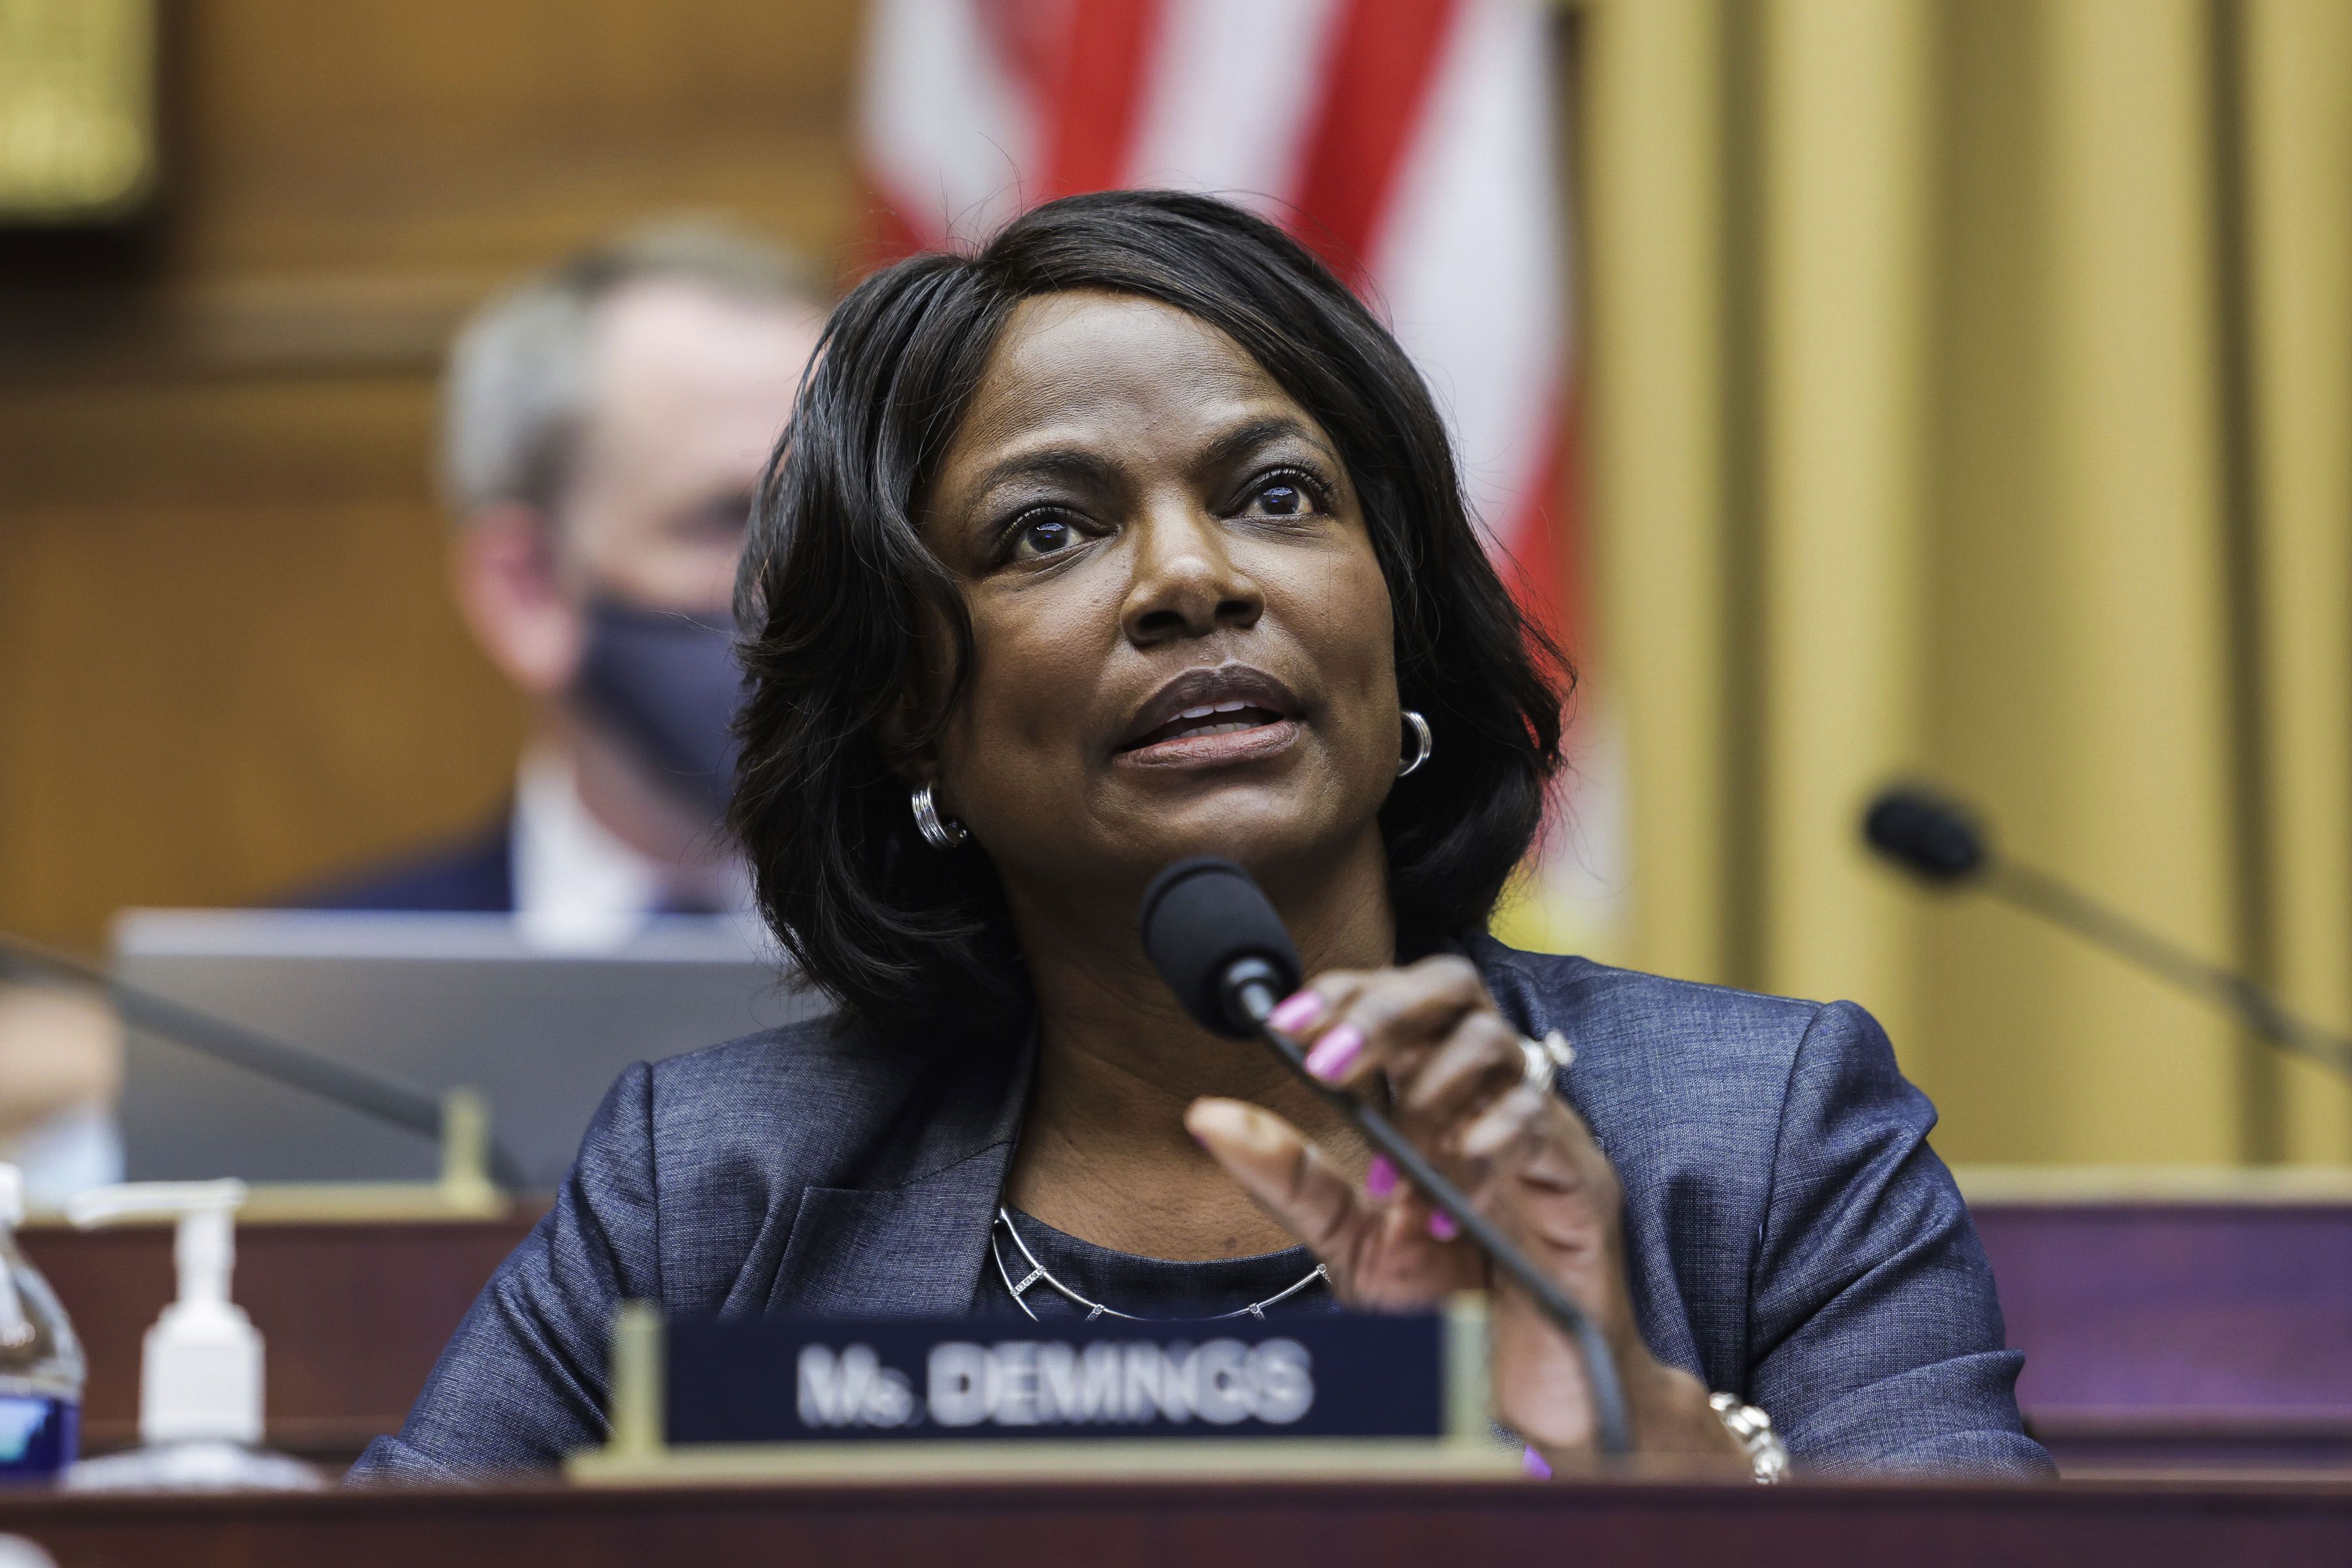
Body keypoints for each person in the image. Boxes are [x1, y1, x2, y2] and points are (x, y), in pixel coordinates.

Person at [351, 190, 2051, 1480]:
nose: (1193, 577)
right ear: (909, 711)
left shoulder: (1756, 1146)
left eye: (1279, 494)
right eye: (1046, 529)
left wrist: (1629, 1437)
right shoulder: (711, 1190)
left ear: (1398, 631)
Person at [298, 223, 827, 949]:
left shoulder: (1010, 976)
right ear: (530, 591)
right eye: (730, 518)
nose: (809, 575)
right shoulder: (313, 1000)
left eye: (831, 514)